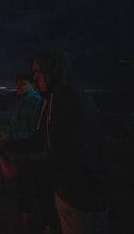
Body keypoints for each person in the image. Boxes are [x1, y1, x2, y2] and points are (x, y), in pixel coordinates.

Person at [31, 49, 110, 234]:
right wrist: (6, 145)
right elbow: (40, 141)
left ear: (53, 69)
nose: (34, 77)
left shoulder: (75, 101)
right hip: (64, 192)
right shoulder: (49, 101)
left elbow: (84, 152)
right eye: (33, 72)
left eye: (38, 71)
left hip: (85, 196)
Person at [0, 74, 58, 233]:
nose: (18, 86)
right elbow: (19, 128)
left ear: (32, 85)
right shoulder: (22, 102)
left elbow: (32, 133)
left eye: (23, 83)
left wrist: (7, 138)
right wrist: (7, 135)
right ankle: (29, 223)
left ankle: (47, 225)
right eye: (17, 84)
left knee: (41, 191)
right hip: (23, 155)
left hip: (35, 156)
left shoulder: (33, 101)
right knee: (25, 189)